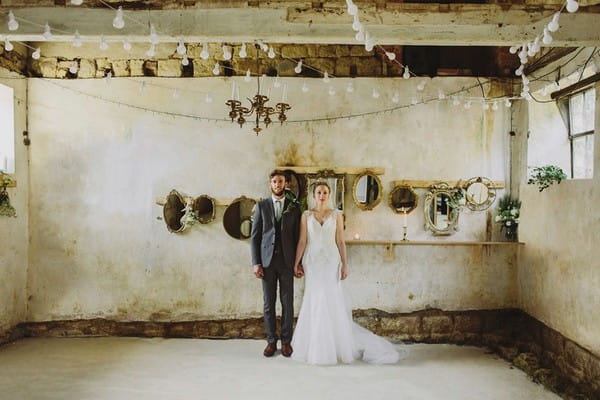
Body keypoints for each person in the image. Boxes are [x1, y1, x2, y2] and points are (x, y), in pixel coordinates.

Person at [291, 181, 408, 365]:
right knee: (315, 298)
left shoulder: (337, 215)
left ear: (329, 195)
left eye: (325, 192)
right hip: (313, 261)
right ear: (314, 195)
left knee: (331, 299)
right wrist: (296, 263)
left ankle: (336, 346)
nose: (321, 195)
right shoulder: (306, 215)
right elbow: (302, 241)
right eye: (319, 192)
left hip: (331, 260)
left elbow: (340, 241)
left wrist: (345, 264)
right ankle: (315, 346)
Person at [251, 170, 302, 358]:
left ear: (285, 184)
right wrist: (256, 263)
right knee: (268, 303)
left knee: (287, 303)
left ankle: (286, 342)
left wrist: (298, 263)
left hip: (287, 262)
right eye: (274, 181)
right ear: (270, 184)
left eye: (281, 181)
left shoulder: (294, 207)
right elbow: (255, 237)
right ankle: (271, 341)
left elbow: (298, 238)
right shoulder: (261, 206)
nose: (278, 184)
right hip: (267, 262)